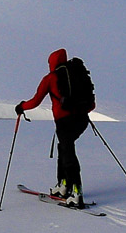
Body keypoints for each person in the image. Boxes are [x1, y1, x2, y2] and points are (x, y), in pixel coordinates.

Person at [16, 49, 92, 206]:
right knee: (63, 148)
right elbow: (92, 103)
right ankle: (63, 186)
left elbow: (36, 101)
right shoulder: (77, 74)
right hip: (82, 120)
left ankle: (76, 193)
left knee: (67, 151)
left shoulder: (51, 78)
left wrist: (21, 107)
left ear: (51, 63)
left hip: (64, 122)